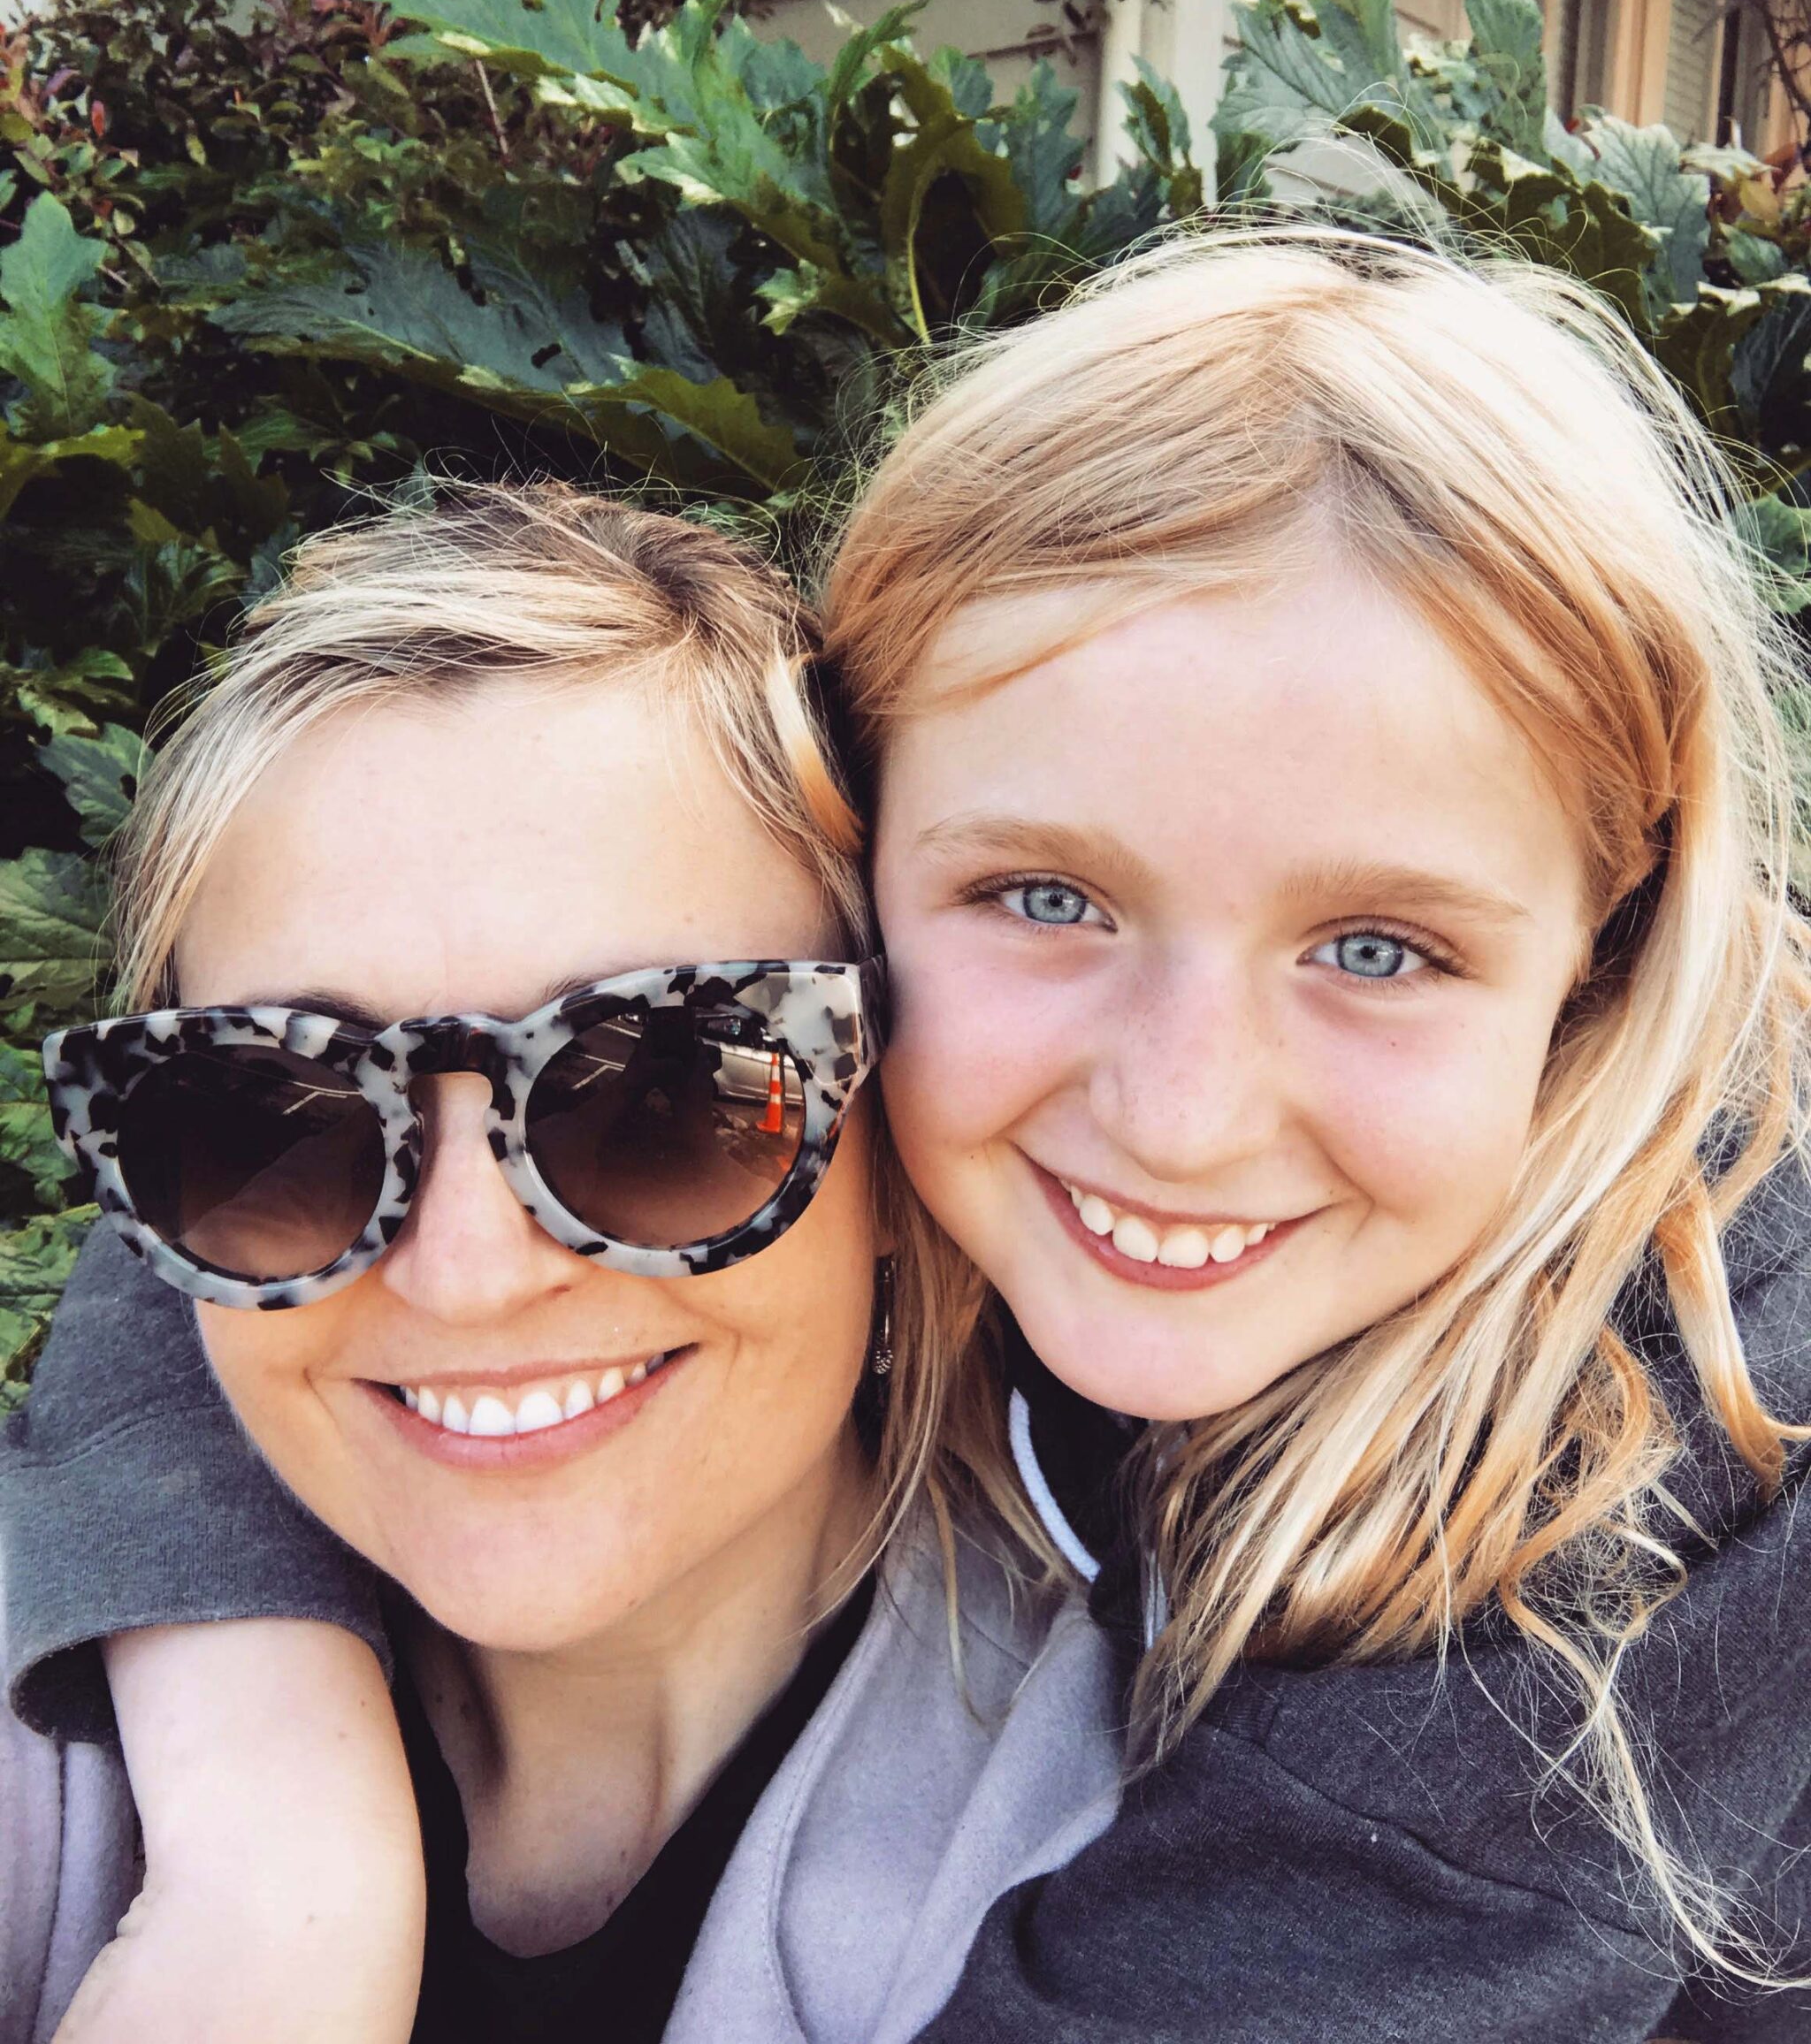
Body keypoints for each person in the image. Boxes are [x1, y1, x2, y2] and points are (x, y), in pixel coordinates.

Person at [9, 226, 1811, 2040]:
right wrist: (273, 1855)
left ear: (1606, 968)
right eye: (1043, 896)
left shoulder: (1615, 1560)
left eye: (655, 1084)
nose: (1179, 1116)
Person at [0, 488, 1117, 2044]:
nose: (466, 1275)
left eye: (672, 1090)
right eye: (278, 1115)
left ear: (892, 1140)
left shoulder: (1164, 1847)